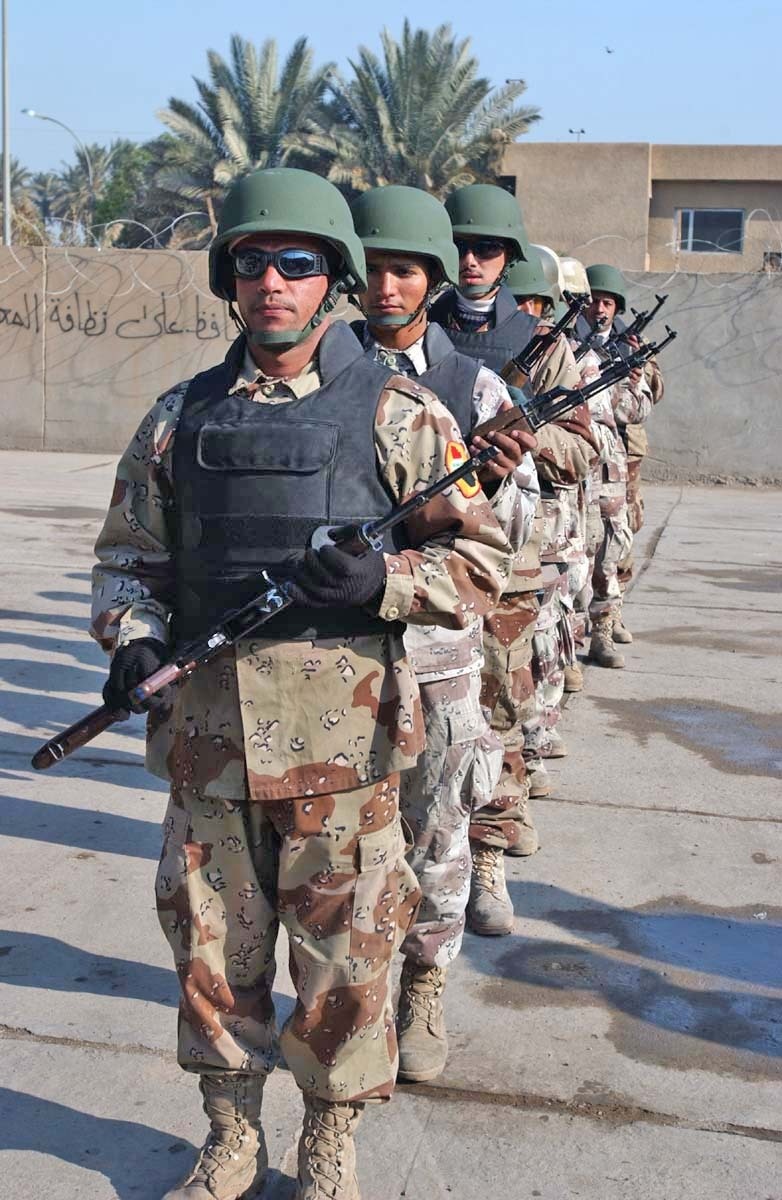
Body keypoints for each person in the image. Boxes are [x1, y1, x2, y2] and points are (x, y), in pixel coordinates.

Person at [91, 167, 512, 1200]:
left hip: (343, 758)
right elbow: (124, 562)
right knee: (209, 961)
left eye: (296, 262)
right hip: (210, 750)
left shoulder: (401, 416)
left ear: (333, 278)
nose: (272, 282)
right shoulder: (175, 419)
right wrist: (134, 638)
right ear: (227, 279)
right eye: (251, 262)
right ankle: (231, 1137)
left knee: (342, 967)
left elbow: (485, 566)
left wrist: (388, 579)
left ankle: (331, 1141)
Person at [350, 184, 539, 1074]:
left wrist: (492, 487)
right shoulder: (323, 371)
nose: (386, 287)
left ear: (429, 281)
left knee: (438, 830)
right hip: (338, 653)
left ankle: (424, 986)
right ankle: (350, 996)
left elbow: (520, 536)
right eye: (374, 268)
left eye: (404, 270)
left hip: (437, 648)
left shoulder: (475, 385)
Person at [430, 185, 582, 922]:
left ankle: (489, 859)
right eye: (460, 245)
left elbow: (582, 447)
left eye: (487, 249)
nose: (471, 260)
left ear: (508, 259)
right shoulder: (410, 333)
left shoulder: (541, 345)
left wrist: (517, 437)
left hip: (511, 558)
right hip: (421, 552)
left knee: (496, 711)